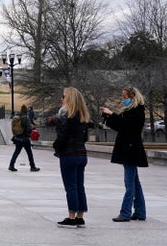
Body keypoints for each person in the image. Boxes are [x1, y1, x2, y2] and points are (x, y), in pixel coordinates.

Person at [100, 87, 148, 222]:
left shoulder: (138, 111)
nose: (123, 99)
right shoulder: (129, 111)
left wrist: (112, 114)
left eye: (125, 97)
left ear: (132, 97)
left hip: (131, 150)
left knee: (129, 183)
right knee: (135, 182)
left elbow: (128, 125)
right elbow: (119, 126)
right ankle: (140, 212)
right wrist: (108, 116)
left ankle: (125, 213)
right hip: (128, 149)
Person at [54, 87, 91, 228]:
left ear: (68, 99)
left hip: (69, 154)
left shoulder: (65, 115)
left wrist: (56, 146)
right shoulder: (83, 116)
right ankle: (80, 216)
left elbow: (62, 136)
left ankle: (71, 217)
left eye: (63, 96)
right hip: (81, 154)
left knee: (70, 187)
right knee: (79, 186)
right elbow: (85, 137)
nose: (61, 99)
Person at [8, 105, 40, 172]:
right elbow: (29, 128)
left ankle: (11, 165)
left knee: (16, 152)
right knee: (29, 153)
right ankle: (32, 166)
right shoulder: (26, 117)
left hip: (17, 138)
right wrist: (31, 129)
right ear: (26, 110)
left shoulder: (17, 117)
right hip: (25, 138)